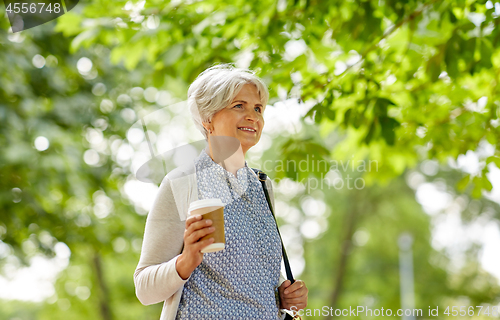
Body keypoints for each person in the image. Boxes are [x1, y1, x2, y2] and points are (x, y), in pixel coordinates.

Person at [134, 63, 308, 319]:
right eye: (239, 106)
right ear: (208, 119)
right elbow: (144, 288)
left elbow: (252, 276)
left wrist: (283, 294)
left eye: (258, 109)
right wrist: (186, 261)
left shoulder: (262, 185)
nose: (253, 116)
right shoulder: (182, 183)